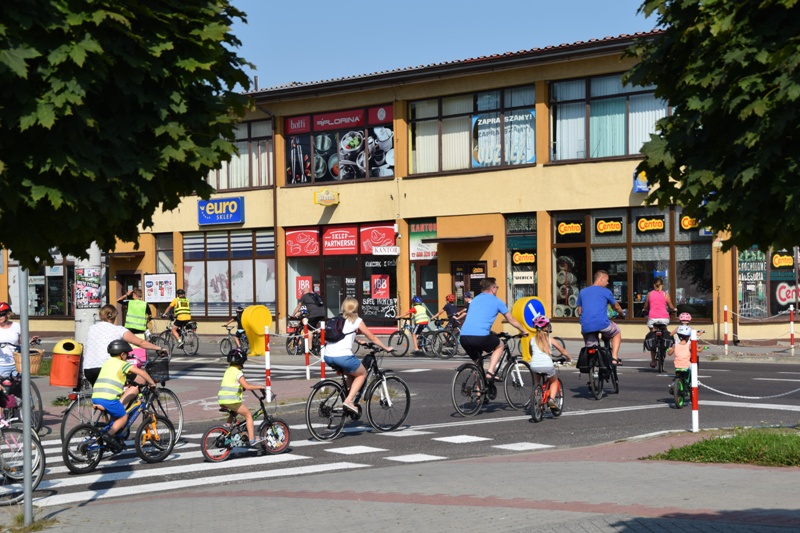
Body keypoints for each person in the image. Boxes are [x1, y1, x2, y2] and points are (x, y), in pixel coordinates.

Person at [322, 296, 392, 413]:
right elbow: (372, 337)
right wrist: (386, 348)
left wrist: (357, 340)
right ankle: (348, 401)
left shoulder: (338, 319)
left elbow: (342, 334)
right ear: (356, 308)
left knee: (352, 374)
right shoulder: (357, 320)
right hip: (343, 357)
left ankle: (347, 400)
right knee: (362, 374)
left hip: (328, 356)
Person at [91, 339, 158, 453]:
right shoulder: (123, 364)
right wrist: (152, 383)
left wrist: (125, 381)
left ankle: (112, 436)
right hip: (109, 399)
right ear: (122, 354)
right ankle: (109, 435)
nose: (127, 356)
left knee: (116, 415)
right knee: (123, 417)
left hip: (96, 396)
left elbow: (113, 376)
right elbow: (141, 373)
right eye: (126, 354)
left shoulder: (107, 363)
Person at [459, 278, 528, 382]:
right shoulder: (497, 301)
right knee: (500, 345)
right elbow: (511, 320)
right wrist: (523, 331)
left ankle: (478, 390)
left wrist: (490, 332)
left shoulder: (475, 300)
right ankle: (490, 372)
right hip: (480, 337)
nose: (497, 290)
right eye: (497, 287)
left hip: (464, 337)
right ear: (493, 288)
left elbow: (477, 318)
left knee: (478, 364)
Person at [83, 304, 165, 386]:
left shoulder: (91, 328)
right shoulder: (118, 329)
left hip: (88, 369)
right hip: (108, 367)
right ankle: (127, 395)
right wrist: (159, 348)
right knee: (141, 380)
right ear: (114, 316)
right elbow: (140, 343)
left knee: (101, 391)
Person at [576, 270, 626, 366]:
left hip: (586, 326)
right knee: (616, 332)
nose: (608, 283)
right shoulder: (605, 291)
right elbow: (616, 306)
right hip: (602, 324)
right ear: (601, 279)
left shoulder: (582, 292)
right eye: (607, 280)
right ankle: (614, 358)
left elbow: (579, 311)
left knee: (591, 347)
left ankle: (591, 365)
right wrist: (622, 314)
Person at [217, 348, 266, 446]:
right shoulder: (238, 373)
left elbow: (232, 384)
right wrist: (260, 387)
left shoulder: (228, 370)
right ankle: (252, 439)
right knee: (248, 415)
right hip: (232, 400)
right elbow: (247, 386)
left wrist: (241, 388)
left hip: (222, 399)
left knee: (234, 412)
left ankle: (227, 426)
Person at [529, 316, 571, 408]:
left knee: (536, 381)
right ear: (547, 327)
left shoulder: (532, 340)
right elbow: (562, 350)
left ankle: (536, 396)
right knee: (554, 381)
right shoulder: (550, 339)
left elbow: (531, 353)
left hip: (534, 365)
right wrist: (569, 358)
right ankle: (551, 399)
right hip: (547, 365)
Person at [641, 277, 677, 368]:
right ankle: (664, 346)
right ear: (662, 285)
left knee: (652, 335)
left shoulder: (649, 294)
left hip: (652, 319)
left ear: (654, 285)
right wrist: (674, 309)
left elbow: (646, 305)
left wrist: (644, 309)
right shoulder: (665, 294)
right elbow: (671, 306)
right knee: (664, 332)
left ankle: (653, 361)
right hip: (664, 319)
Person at [0, 302, 39, 378]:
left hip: (17, 363)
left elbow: (23, 343)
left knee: (21, 384)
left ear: (8, 314)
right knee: (4, 385)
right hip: (1, 365)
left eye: (1, 314)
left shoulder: (16, 326)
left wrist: (31, 341)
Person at [667, 325, 693, 394]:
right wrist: (702, 347)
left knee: (677, 376)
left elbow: (669, 353)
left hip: (677, 365)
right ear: (688, 337)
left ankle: (674, 385)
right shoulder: (689, 345)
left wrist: (670, 349)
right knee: (693, 369)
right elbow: (696, 350)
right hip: (686, 365)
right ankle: (692, 383)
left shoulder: (676, 345)